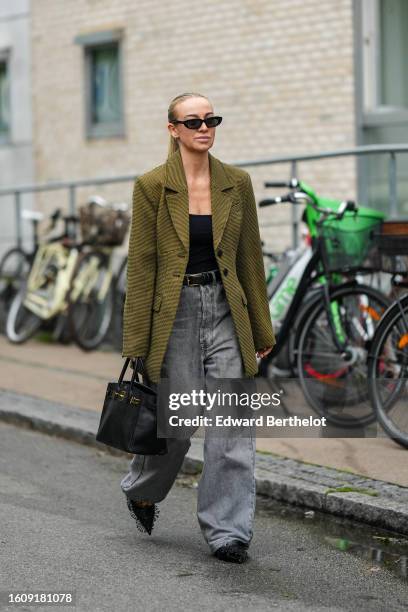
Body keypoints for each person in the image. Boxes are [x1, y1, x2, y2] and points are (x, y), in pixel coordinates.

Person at [120, 92, 275, 563]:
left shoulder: (237, 183)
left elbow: (249, 258)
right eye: (193, 121)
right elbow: (142, 265)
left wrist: (262, 333)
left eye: (211, 119)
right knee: (179, 424)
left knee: (231, 426)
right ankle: (142, 488)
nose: (204, 127)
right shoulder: (152, 186)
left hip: (228, 308)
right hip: (176, 313)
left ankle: (228, 531)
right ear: (173, 129)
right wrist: (136, 345)